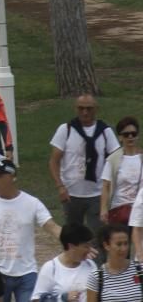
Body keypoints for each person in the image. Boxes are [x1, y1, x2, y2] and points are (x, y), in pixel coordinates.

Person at [0, 159, 62, 302]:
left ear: (12, 176)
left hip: (27, 272)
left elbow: (51, 227)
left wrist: (73, 240)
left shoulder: (32, 203)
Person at [48, 94, 118, 231]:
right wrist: (60, 186)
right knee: (73, 237)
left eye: (89, 108)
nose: (85, 112)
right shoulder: (66, 130)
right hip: (71, 194)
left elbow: (115, 160)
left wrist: (109, 187)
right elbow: (53, 161)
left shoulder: (105, 131)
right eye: (81, 108)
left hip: (97, 194)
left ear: (96, 109)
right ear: (75, 109)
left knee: (98, 237)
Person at [31, 223, 95, 302]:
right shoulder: (51, 268)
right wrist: (61, 298)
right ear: (71, 246)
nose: (89, 250)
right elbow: (36, 300)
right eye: (86, 246)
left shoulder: (90, 265)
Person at [101, 116, 142, 225]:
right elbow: (106, 185)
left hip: (139, 211)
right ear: (120, 137)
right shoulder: (113, 159)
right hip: (119, 211)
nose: (130, 137)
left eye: (133, 134)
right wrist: (103, 209)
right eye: (126, 134)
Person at [86, 224, 143, 301]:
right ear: (106, 245)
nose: (124, 248)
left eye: (126, 243)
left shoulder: (140, 270)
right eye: (119, 244)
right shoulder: (96, 277)